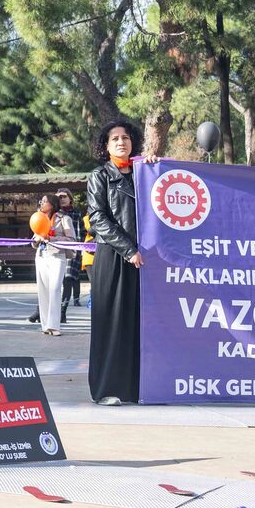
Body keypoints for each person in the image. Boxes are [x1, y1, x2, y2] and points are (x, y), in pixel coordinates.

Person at [87, 120, 143, 405]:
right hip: (113, 255)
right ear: (106, 146)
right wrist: (128, 249)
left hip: (142, 259)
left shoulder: (144, 174)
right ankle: (107, 388)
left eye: (126, 137)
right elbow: (98, 219)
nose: (122, 142)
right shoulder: (100, 176)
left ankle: (135, 388)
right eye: (115, 139)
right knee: (111, 323)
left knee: (136, 323)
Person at [31, 193, 72, 337]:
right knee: (43, 291)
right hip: (41, 256)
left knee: (54, 290)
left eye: (44, 202)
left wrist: (50, 238)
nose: (41, 204)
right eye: (41, 201)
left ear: (52, 204)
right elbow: (33, 242)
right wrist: (36, 240)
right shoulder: (38, 218)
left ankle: (54, 325)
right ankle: (45, 325)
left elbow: (71, 239)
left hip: (57, 256)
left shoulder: (64, 218)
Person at [55, 189, 85, 314]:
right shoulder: (54, 213)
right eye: (59, 197)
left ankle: (62, 312)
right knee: (54, 281)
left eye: (64, 196)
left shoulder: (76, 213)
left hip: (72, 250)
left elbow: (81, 232)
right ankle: (40, 311)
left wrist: (79, 247)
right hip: (56, 250)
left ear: (70, 198)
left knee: (68, 280)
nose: (61, 199)